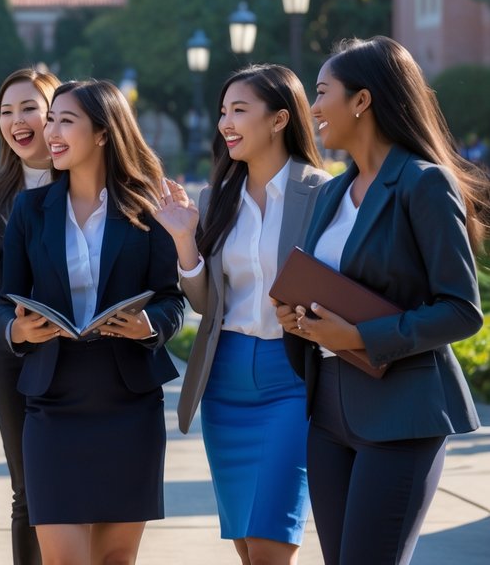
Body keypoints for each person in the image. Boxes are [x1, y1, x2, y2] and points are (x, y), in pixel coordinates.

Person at [272, 36, 486, 565]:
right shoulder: (331, 192)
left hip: (403, 414)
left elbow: (462, 310)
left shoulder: (423, 183)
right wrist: (297, 317)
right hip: (328, 413)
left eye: (323, 93)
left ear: (362, 100)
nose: (314, 108)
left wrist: (361, 336)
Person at [0, 79, 184, 565]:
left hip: (129, 402)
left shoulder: (148, 208)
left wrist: (149, 325)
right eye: (50, 119)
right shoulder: (29, 211)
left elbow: (172, 300)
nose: (49, 131)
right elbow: (1, 307)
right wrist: (18, 329)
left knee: (116, 560)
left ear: (102, 133)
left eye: (65, 121)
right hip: (53, 402)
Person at [152, 64, 328, 565]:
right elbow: (207, 304)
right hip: (224, 381)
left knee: (274, 541)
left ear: (278, 119)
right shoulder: (215, 199)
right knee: (248, 548)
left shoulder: (322, 191)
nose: (225, 122)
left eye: (239, 110)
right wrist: (186, 240)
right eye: (223, 112)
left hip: (290, 379)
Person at [0, 66, 61, 564]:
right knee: (27, 491)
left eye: (28, 109)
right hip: (15, 355)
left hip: (80, 353)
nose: (16, 121)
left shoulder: (83, 180)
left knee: (76, 488)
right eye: (6, 111)